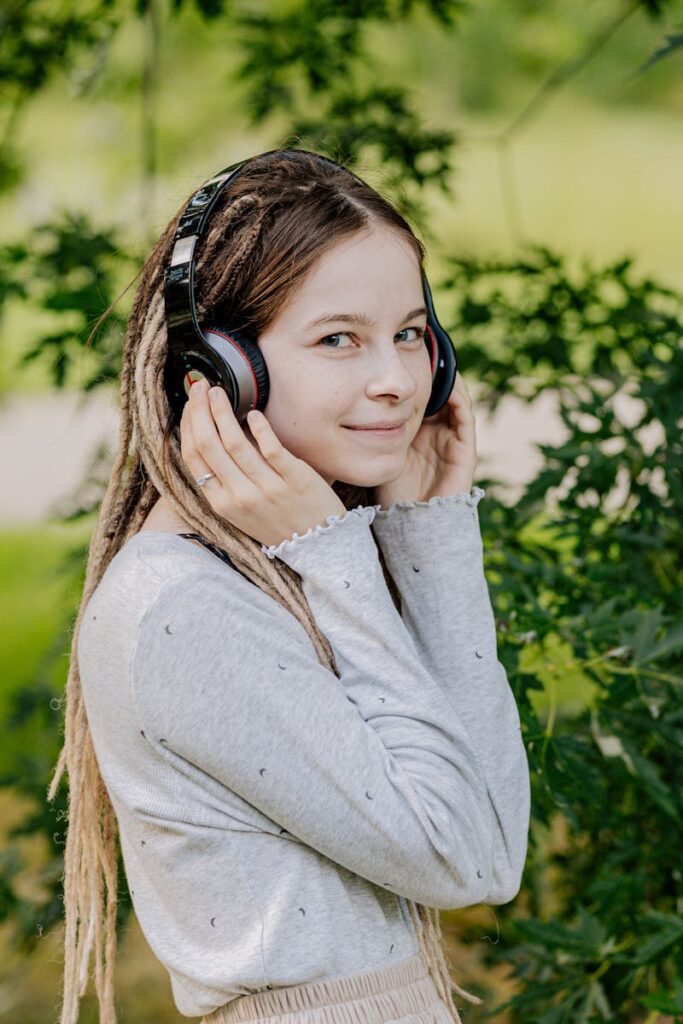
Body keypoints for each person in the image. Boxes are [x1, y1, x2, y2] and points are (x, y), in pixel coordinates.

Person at [48, 148, 531, 1024]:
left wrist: (432, 540)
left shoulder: (278, 569)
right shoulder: (180, 612)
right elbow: (462, 861)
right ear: (218, 370)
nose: (394, 380)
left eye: (412, 334)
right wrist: (332, 547)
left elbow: (493, 841)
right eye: (337, 338)